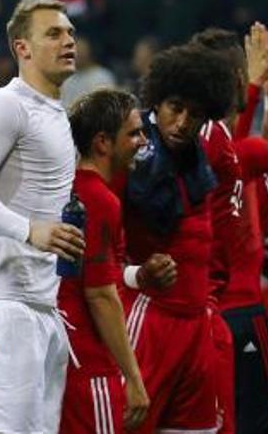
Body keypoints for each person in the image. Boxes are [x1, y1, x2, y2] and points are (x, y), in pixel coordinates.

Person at [0, 0, 85, 434]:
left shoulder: (58, 116)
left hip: (42, 304)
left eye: (70, 33)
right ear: (21, 49)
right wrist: (31, 231)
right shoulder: (6, 104)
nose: (68, 41)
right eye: (54, 33)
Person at [194, 21, 268, 434]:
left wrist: (254, 90)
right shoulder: (233, 151)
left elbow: (231, 153)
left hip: (204, 314)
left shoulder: (199, 142)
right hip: (243, 311)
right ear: (234, 79)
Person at [120, 43, 236, 434]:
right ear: (156, 102)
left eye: (195, 114)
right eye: (175, 107)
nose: (183, 122)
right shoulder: (131, 155)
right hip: (149, 318)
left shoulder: (198, 158)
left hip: (196, 320)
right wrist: (135, 274)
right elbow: (99, 244)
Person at [59, 88, 177, 433]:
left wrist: (137, 276)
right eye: (134, 133)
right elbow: (99, 294)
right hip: (86, 359)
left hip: (57, 353)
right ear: (102, 143)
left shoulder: (64, 188)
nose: (143, 141)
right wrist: (134, 378)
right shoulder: (97, 199)